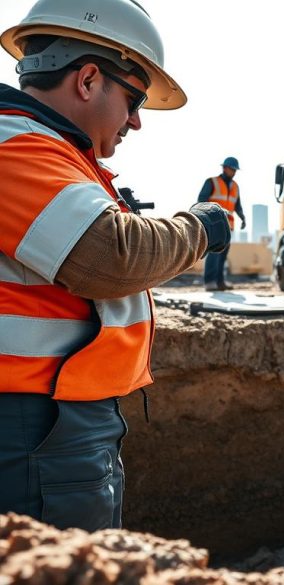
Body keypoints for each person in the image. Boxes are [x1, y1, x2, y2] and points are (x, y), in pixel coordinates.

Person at [0, 0, 231, 532]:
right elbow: (111, 255)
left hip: (54, 414)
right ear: (86, 79)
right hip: (35, 421)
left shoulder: (56, 154)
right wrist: (204, 227)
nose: (136, 120)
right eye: (133, 98)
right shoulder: (17, 144)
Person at [197, 157, 246, 291]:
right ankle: (209, 282)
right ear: (224, 168)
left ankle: (220, 282)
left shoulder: (235, 186)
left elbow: (237, 205)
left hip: (228, 226)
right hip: (214, 224)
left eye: (235, 170)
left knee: (223, 254)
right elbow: (201, 201)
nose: (234, 172)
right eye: (232, 169)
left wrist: (243, 218)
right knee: (214, 252)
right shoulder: (212, 182)